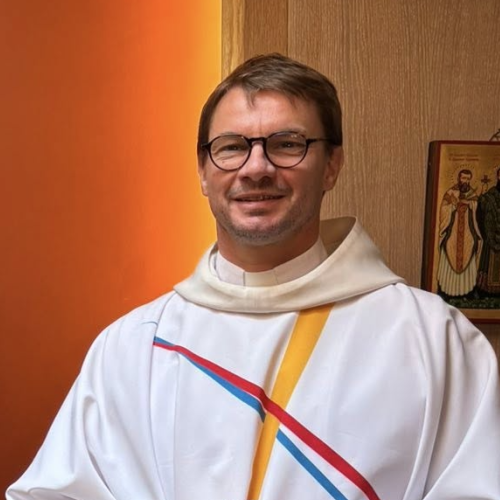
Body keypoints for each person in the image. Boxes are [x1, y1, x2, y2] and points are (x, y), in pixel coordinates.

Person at [6, 54, 500, 500]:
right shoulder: (133, 348)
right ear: (203, 171)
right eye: (231, 147)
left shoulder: (434, 341)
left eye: (287, 144)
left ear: (332, 165)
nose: (256, 168)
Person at [436, 168, 481, 297]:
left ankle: (467, 291)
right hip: (452, 232)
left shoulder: (473, 194)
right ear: (458, 178)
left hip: (468, 232)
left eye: (468, 179)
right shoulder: (451, 192)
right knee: (448, 251)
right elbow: (443, 209)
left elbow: (477, 209)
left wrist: (471, 204)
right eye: (463, 178)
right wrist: (453, 206)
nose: (465, 181)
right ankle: (447, 290)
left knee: (470, 250)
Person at [477, 167, 500, 294]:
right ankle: (486, 288)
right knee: (489, 262)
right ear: (498, 177)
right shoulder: (488, 197)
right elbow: (480, 217)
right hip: (491, 235)